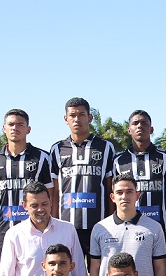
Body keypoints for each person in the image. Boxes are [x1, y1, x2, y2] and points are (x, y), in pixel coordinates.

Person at [0, 181, 89, 276]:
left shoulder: (68, 229)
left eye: (44, 204)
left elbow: (79, 274)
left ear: (50, 201)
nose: (40, 209)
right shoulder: (14, 234)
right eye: (34, 205)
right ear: (24, 205)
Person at [0, 109, 55, 271]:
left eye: (20, 125)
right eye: (10, 124)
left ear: (28, 129)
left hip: (36, 230)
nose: (14, 128)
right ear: (4, 128)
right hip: (6, 229)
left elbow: (50, 194)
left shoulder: (42, 158)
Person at [50, 97, 117, 259]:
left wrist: (111, 221)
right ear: (66, 119)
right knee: (69, 275)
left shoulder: (105, 147)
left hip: (99, 224)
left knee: (99, 273)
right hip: (67, 225)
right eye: (72, 115)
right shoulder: (57, 149)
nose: (77, 119)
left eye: (81, 114)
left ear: (90, 117)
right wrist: (54, 224)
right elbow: (55, 190)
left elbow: (110, 188)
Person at [113, 110, 166, 270]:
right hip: (127, 229)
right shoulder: (119, 161)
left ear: (152, 129)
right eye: (135, 123)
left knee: (162, 273)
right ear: (129, 129)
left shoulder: (165, 159)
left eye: (144, 123)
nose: (140, 126)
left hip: (161, 229)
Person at [89, 173, 166, 276]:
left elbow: (160, 266)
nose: (124, 196)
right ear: (112, 197)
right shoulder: (100, 228)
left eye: (129, 192)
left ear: (137, 195)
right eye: (119, 192)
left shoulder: (154, 227)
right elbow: (95, 268)